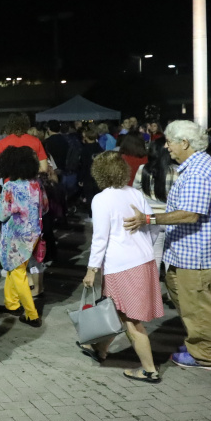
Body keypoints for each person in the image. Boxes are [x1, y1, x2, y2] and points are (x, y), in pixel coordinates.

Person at [123, 120, 211, 371]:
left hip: (198, 255)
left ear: (185, 143)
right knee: (192, 306)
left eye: (170, 142)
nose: (167, 147)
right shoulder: (198, 167)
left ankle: (205, 356)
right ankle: (198, 345)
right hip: (189, 253)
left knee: (198, 307)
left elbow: (190, 214)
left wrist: (148, 219)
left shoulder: (198, 172)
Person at [81, 152, 166, 382]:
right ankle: (100, 349)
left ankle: (149, 370)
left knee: (131, 320)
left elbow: (100, 238)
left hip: (121, 266)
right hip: (143, 261)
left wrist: (92, 269)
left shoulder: (101, 199)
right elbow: (153, 226)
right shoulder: (135, 194)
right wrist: (142, 247)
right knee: (117, 310)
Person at [0, 146, 44, 326]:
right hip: (33, 233)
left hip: (15, 236)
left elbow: (2, 215)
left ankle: (32, 314)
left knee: (17, 272)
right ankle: (11, 303)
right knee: (15, 268)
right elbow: (44, 207)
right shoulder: (36, 184)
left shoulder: (10, 186)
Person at [135, 136, 178, 269]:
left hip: (150, 218)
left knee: (155, 255)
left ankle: (154, 282)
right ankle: (171, 281)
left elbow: (136, 193)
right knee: (171, 257)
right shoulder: (177, 171)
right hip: (170, 218)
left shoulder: (143, 169)